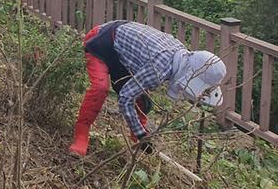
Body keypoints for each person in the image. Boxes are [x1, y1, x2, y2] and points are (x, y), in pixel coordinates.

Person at [69, 21, 227, 157]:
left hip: (124, 53)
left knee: (142, 100)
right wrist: (141, 134)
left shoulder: (181, 56)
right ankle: (81, 134)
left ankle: (136, 135)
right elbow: (125, 98)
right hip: (102, 39)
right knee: (100, 88)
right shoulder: (160, 68)